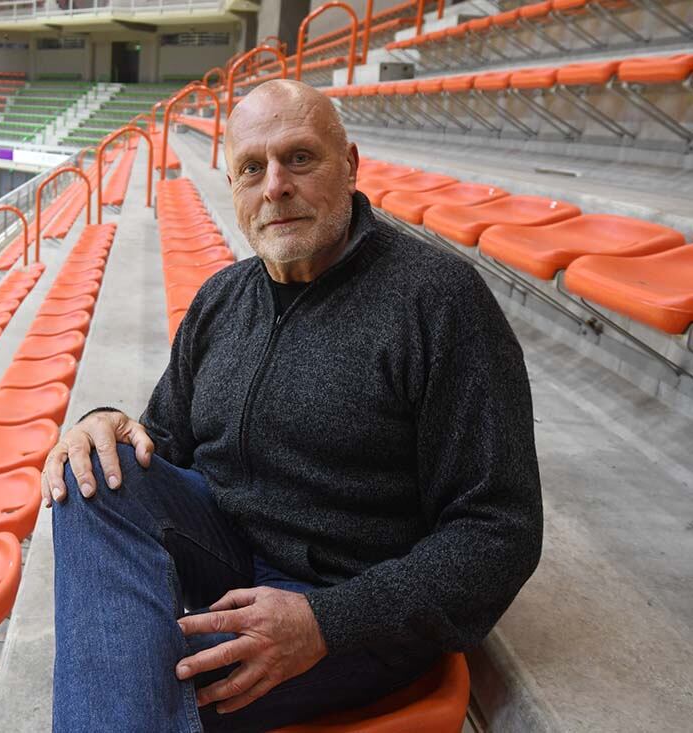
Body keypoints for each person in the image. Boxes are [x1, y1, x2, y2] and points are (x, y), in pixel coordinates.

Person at [42, 79, 543, 733]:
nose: (274, 185)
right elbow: (160, 440)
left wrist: (325, 623)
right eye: (252, 167)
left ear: (351, 166)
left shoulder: (438, 300)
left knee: (125, 668)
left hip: (348, 603)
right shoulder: (222, 299)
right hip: (224, 554)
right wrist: (101, 421)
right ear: (234, 186)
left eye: (299, 158)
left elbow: (499, 532)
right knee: (91, 476)